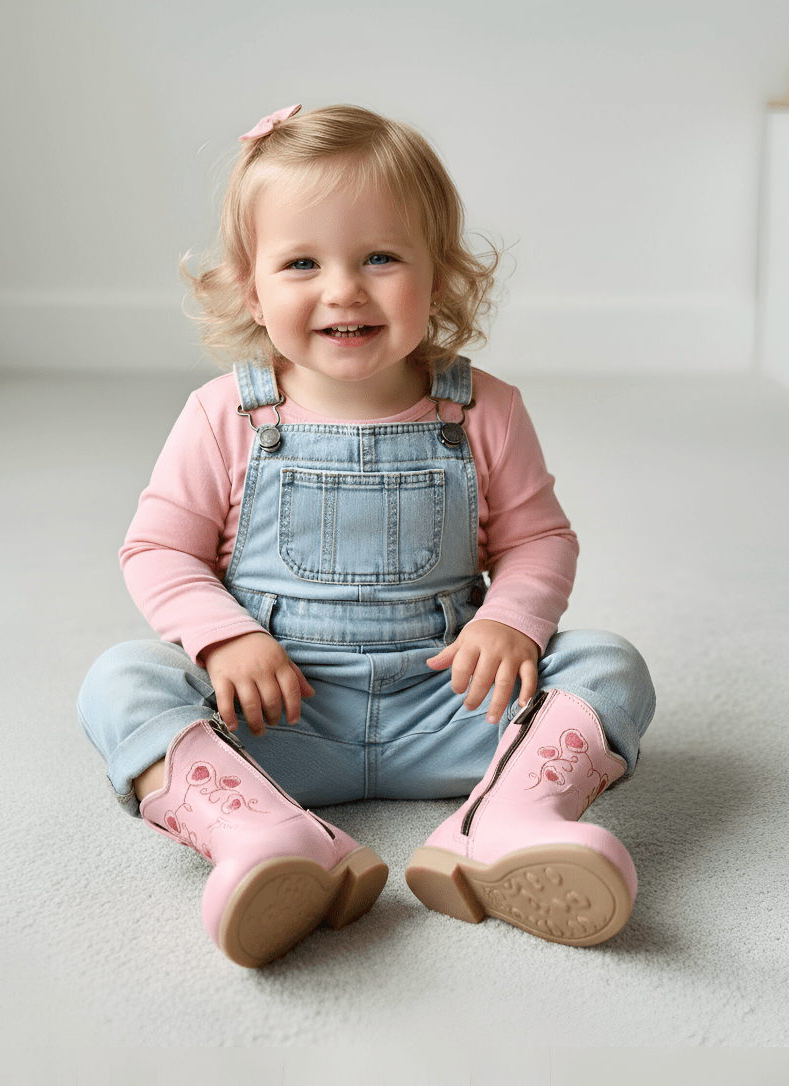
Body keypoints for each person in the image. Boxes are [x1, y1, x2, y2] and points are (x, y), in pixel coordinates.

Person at [77, 103, 656, 969]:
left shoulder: (483, 409)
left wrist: (511, 624)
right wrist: (225, 637)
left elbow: (540, 539)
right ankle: (264, 837)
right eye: (302, 262)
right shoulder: (225, 416)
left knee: (609, 664)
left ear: (440, 275)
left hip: (449, 709)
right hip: (276, 720)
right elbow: (158, 550)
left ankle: (506, 823)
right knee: (119, 681)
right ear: (251, 285)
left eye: (381, 257)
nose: (344, 288)